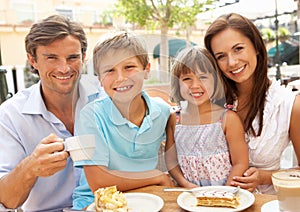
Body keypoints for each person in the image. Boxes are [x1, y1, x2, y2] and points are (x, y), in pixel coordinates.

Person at [0, 15, 102, 211]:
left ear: (83, 57)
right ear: (33, 60)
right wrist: (31, 167)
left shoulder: (104, 97)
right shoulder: (9, 116)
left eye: (72, 57)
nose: (64, 68)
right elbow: (7, 200)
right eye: (51, 58)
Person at [72, 31, 174, 210]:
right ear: (100, 79)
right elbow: (98, 182)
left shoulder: (163, 112)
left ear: (147, 70)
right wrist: (157, 176)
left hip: (147, 198)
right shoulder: (87, 117)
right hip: (94, 203)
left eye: (129, 67)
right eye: (110, 70)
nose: (120, 78)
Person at [204, 13, 300, 194]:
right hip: (211, 201)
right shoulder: (209, 103)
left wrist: (265, 177)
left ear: (256, 47)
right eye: (221, 56)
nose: (232, 62)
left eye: (238, 49)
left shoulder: (290, 105)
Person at [165, 46, 249, 188]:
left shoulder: (227, 118)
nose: (195, 85)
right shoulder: (175, 119)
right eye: (187, 79)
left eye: (203, 77)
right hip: (189, 196)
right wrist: (185, 184)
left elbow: (240, 163)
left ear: (216, 80)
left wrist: (225, 193)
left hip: (225, 193)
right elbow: (171, 159)